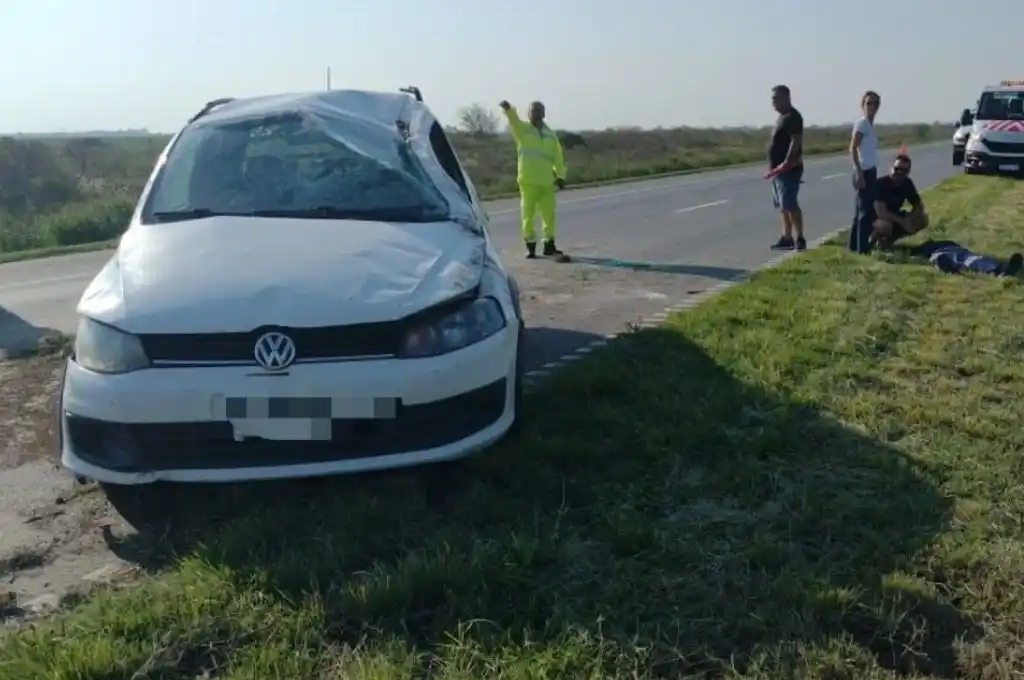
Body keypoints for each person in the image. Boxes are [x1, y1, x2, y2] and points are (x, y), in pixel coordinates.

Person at [499, 100, 570, 262]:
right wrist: (508, 110)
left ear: (544, 114)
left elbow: (557, 157)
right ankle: (530, 246)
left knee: (549, 215)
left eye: (539, 110)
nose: (536, 113)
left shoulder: (551, 135)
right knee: (528, 215)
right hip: (528, 181)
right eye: (534, 110)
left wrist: (560, 176)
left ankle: (549, 245)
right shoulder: (522, 130)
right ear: (529, 113)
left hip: (546, 182)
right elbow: (513, 120)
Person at [766, 85, 806, 251]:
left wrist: (787, 162)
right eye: (772, 99)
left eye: (776, 98)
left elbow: (795, 140)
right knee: (782, 206)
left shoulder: (793, 117)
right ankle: (787, 237)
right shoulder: (782, 118)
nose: (773, 102)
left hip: (788, 169)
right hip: (777, 170)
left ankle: (800, 238)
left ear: (786, 98)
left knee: (790, 204)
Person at [869, 153, 929, 249]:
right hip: (875, 219)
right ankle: (871, 243)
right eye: (897, 169)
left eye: (904, 171)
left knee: (922, 219)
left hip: (895, 216)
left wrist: (910, 218)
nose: (900, 173)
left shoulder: (907, 183)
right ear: (891, 167)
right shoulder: (880, 184)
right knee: (884, 225)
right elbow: (881, 212)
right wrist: (903, 222)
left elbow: (919, 206)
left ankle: (888, 242)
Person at [849, 90, 881, 254]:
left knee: (860, 210)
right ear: (863, 105)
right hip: (863, 170)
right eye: (868, 103)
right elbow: (853, 148)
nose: (872, 106)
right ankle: (862, 249)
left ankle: (854, 245)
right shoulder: (862, 124)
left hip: (870, 170)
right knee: (865, 212)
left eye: (875, 104)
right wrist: (859, 173)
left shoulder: (869, 125)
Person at [901, 240, 1023, 277]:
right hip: (944, 252)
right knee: (970, 259)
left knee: (972, 260)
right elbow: (909, 251)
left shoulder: (928, 246)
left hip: (955, 251)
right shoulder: (924, 247)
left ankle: (1000, 271)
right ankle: (949, 267)